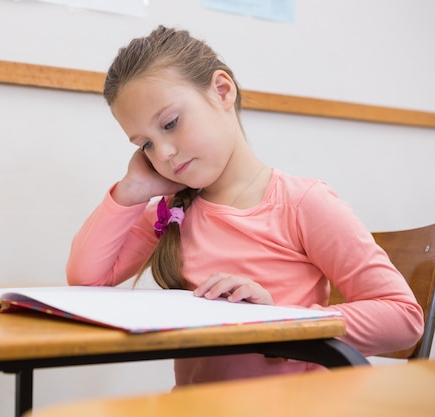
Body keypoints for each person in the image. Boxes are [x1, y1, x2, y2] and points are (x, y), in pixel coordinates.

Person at [66, 25, 423, 385]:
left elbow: (404, 317)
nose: (164, 153)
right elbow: (87, 279)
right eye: (145, 144)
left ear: (222, 91)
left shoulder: (301, 205)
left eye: (171, 124)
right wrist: (130, 190)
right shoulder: (172, 211)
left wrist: (276, 322)